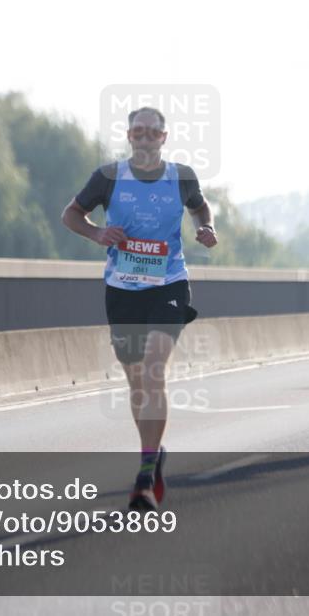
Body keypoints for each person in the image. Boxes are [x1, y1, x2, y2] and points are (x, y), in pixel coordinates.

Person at [61, 106, 217, 510]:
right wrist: (97, 233)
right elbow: (70, 214)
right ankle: (154, 450)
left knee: (153, 368)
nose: (145, 138)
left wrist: (206, 226)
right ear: (129, 137)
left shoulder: (180, 176)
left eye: (153, 133)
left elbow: (200, 206)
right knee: (136, 382)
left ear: (164, 138)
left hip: (169, 283)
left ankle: (145, 474)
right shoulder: (108, 177)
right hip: (122, 287)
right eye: (138, 132)